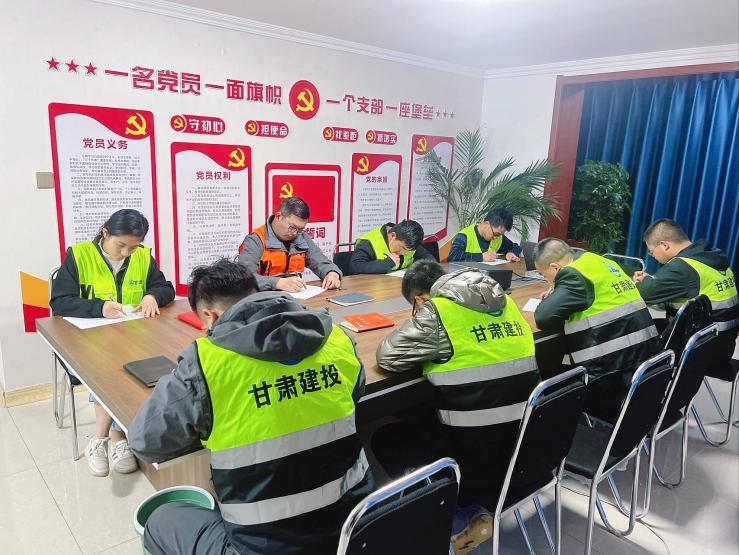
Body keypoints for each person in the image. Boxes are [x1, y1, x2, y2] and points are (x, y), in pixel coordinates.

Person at [128, 259, 374, 555]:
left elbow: (145, 442)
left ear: (209, 316)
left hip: (267, 547)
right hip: (356, 527)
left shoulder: (207, 362)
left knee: (161, 521)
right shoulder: (336, 337)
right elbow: (355, 391)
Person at [373, 260, 540, 553]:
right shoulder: (506, 303)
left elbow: (388, 357)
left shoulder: (438, 311)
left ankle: (457, 514)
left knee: (385, 438)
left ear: (421, 299)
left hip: (479, 459)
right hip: (527, 446)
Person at [50, 209, 175, 477]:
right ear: (105, 232)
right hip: (86, 343)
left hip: (134, 340)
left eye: (133, 247)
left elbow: (167, 288)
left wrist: (153, 295)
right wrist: (99, 307)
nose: (126, 253)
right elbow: (60, 302)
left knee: (135, 365)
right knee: (110, 370)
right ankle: (111, 438)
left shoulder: (142, 256)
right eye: (121, 245)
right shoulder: (79, 255)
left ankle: (110, 439)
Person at [533, 238, 658, 418]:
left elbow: (543, 318)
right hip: (647, 367)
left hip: (613, 378)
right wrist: (557, 291)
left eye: (544, 275)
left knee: (547, 368)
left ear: (555, 267)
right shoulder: (598, 261)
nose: (547, 281)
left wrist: (555, 294)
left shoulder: (573, 275)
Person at [634, 218, 737, 364]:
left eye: (651, 252)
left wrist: (643, 283)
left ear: (664, 245)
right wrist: (652, 280)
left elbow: (641, 293)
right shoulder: (709, 257)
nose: (654, 257)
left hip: (698, 350)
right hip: (721, 344)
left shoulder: (682, 267)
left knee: (636, 335)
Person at [238, 197, 342, 292]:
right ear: (279, 216)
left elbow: (320, 261)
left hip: (294, 298)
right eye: (292, 227)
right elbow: (244, 279)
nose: (295, 233)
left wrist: (332, 274)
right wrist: (278, 283)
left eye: (300, 229)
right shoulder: (255, 240)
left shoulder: (302, 237)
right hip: (262, 299)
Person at [350, 219, 435, 274]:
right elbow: (355, 267)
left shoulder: (409, 242)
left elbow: (427, 257)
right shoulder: (368, 242)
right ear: (393, 236)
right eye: (403, 248)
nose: (403, 253)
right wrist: (387, 263)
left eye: (408, 250)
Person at [448, 208, 521, 263]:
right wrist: (481, 257)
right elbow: (453, 256)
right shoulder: (465, 235)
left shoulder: (498, 237)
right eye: (496, 234)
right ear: (486, 223)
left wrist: (512, 253)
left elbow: (515, 247)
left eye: (499, 235)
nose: (495, 238)